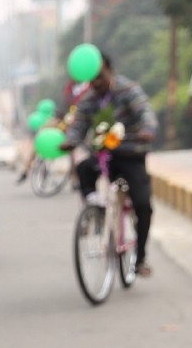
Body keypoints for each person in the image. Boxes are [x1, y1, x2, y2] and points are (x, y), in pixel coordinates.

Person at [62, 53, 158, 277]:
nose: (96, 81)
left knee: (143, 205)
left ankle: (141, 257)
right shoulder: (88, 99)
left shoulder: (127, 89)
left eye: (100, 75)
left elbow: (145, 111)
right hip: (104, 155)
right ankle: (93, 207)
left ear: (109, 70)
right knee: (84, 168)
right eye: (92, 77)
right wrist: (71, 140)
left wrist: (147, 130)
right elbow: (78, 125)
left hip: (130, 153)